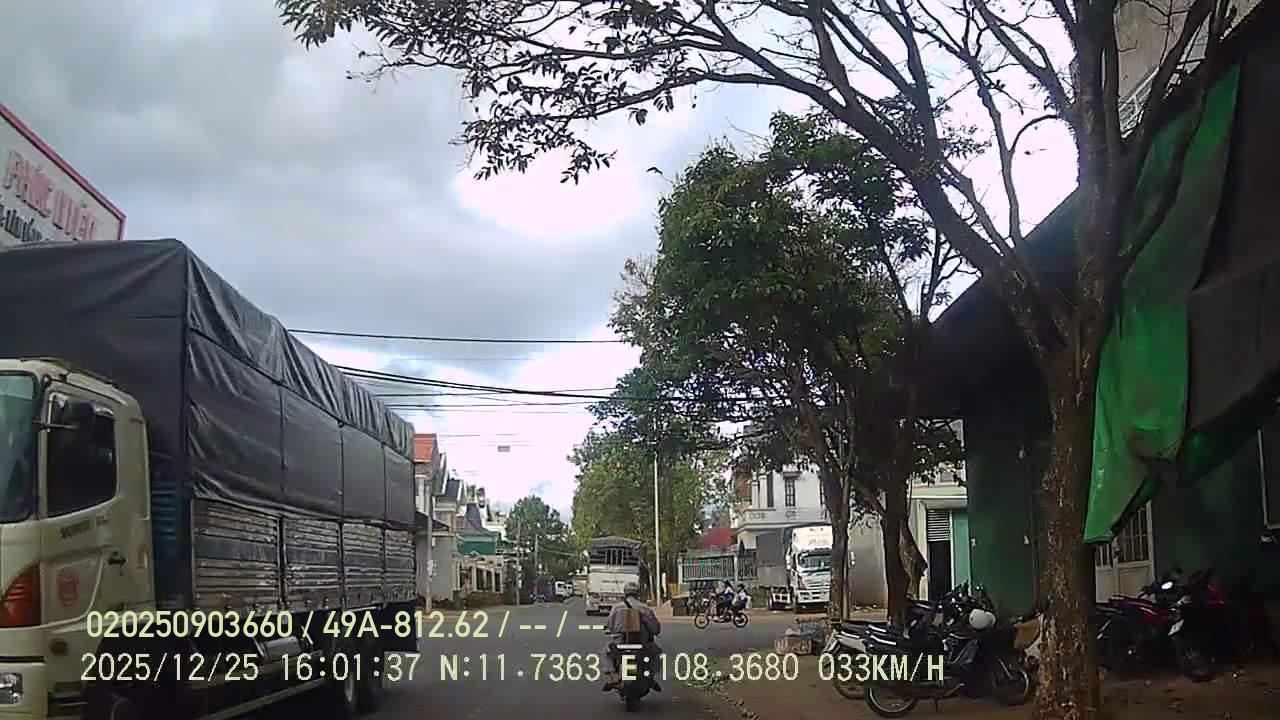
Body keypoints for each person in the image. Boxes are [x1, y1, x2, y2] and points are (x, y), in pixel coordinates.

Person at [602, 581, 662, 691]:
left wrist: (613, 631)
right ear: (637, 594)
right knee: (657, 653)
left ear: (625, 593)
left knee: (606, 652)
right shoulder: (645, 608)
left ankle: (614, 677)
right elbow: (655, 629)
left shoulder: (616, 608)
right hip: (642, 644)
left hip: (620, 644)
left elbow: (610, 625)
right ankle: (650, 676)